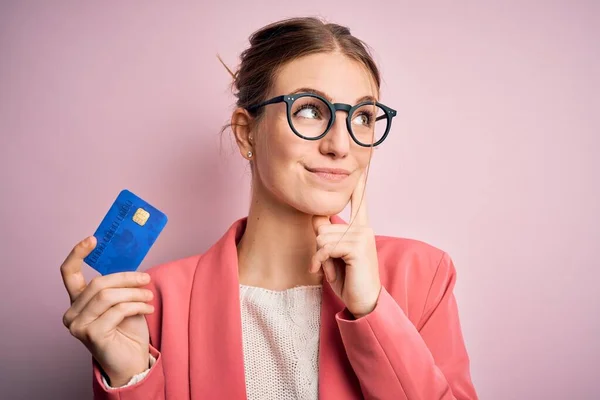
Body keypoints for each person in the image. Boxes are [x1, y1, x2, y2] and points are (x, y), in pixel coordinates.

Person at [60, 17, 478, 400]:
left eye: (363, 117)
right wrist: (131, 379)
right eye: (311, 111)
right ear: (247, 134)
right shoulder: (151, 303)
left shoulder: (421, 276)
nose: (341, 145)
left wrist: (372, 311)